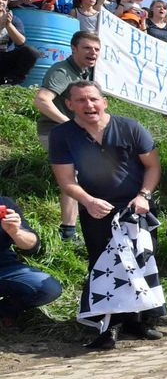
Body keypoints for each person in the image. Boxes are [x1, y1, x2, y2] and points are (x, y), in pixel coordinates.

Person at [48, 81, 164, 350]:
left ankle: (142, 321)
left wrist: (144, 195)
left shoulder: (130, 126)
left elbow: (153, 165)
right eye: (80, 101)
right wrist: (87, 201)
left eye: (93, 99)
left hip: (137, 207)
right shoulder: (62, 134)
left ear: (104, 101)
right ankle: (108, 327)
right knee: (103, 266)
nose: (88, 105)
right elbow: (65, 180)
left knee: (143, 263)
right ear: (69, 105)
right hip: (96, 209)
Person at [34, 31, 101, 241]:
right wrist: (68, 124)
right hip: (54, 132)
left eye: (97, 49)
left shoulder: (84, 74)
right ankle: (68, 231)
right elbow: (41, 100)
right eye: (87, 48)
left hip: (77, 134)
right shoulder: (62, 72)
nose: (93, 53)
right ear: (74, 48)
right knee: (75, 174)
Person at [0, 195, 62, 327]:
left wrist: (15, 232)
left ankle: (6, 310)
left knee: (49, 289)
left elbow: (32, 246)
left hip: (4, 266)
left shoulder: (4, 203)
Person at [0, 0, 39, 85]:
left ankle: (11, 82)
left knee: (30, 51)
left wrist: (8, 25)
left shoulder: (14, 19)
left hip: (4, 59)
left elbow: (21, 42)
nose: (1, 1)